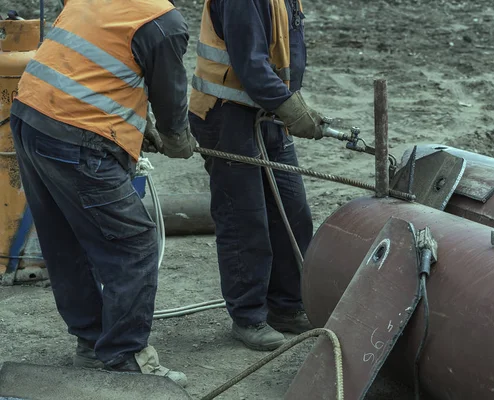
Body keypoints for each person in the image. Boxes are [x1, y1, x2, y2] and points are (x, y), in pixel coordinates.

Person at [9, 0, 195, 385]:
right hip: (75, 139)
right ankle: (125, 356)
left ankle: (92, 343)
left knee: (64, 238)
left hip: (31, 116)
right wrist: (178, 138)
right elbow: (170, 98)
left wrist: (132, 123)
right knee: (134, 243)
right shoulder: (163, 23)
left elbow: (93, 64)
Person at [188, 0, 324, 351]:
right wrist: (291, 107)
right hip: (227, 114)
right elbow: (250, 62)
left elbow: (285, 50)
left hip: (268, 111)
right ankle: (248, 316)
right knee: (244, 220)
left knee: (292, 213)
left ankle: (287, 306)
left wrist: (290, 102)